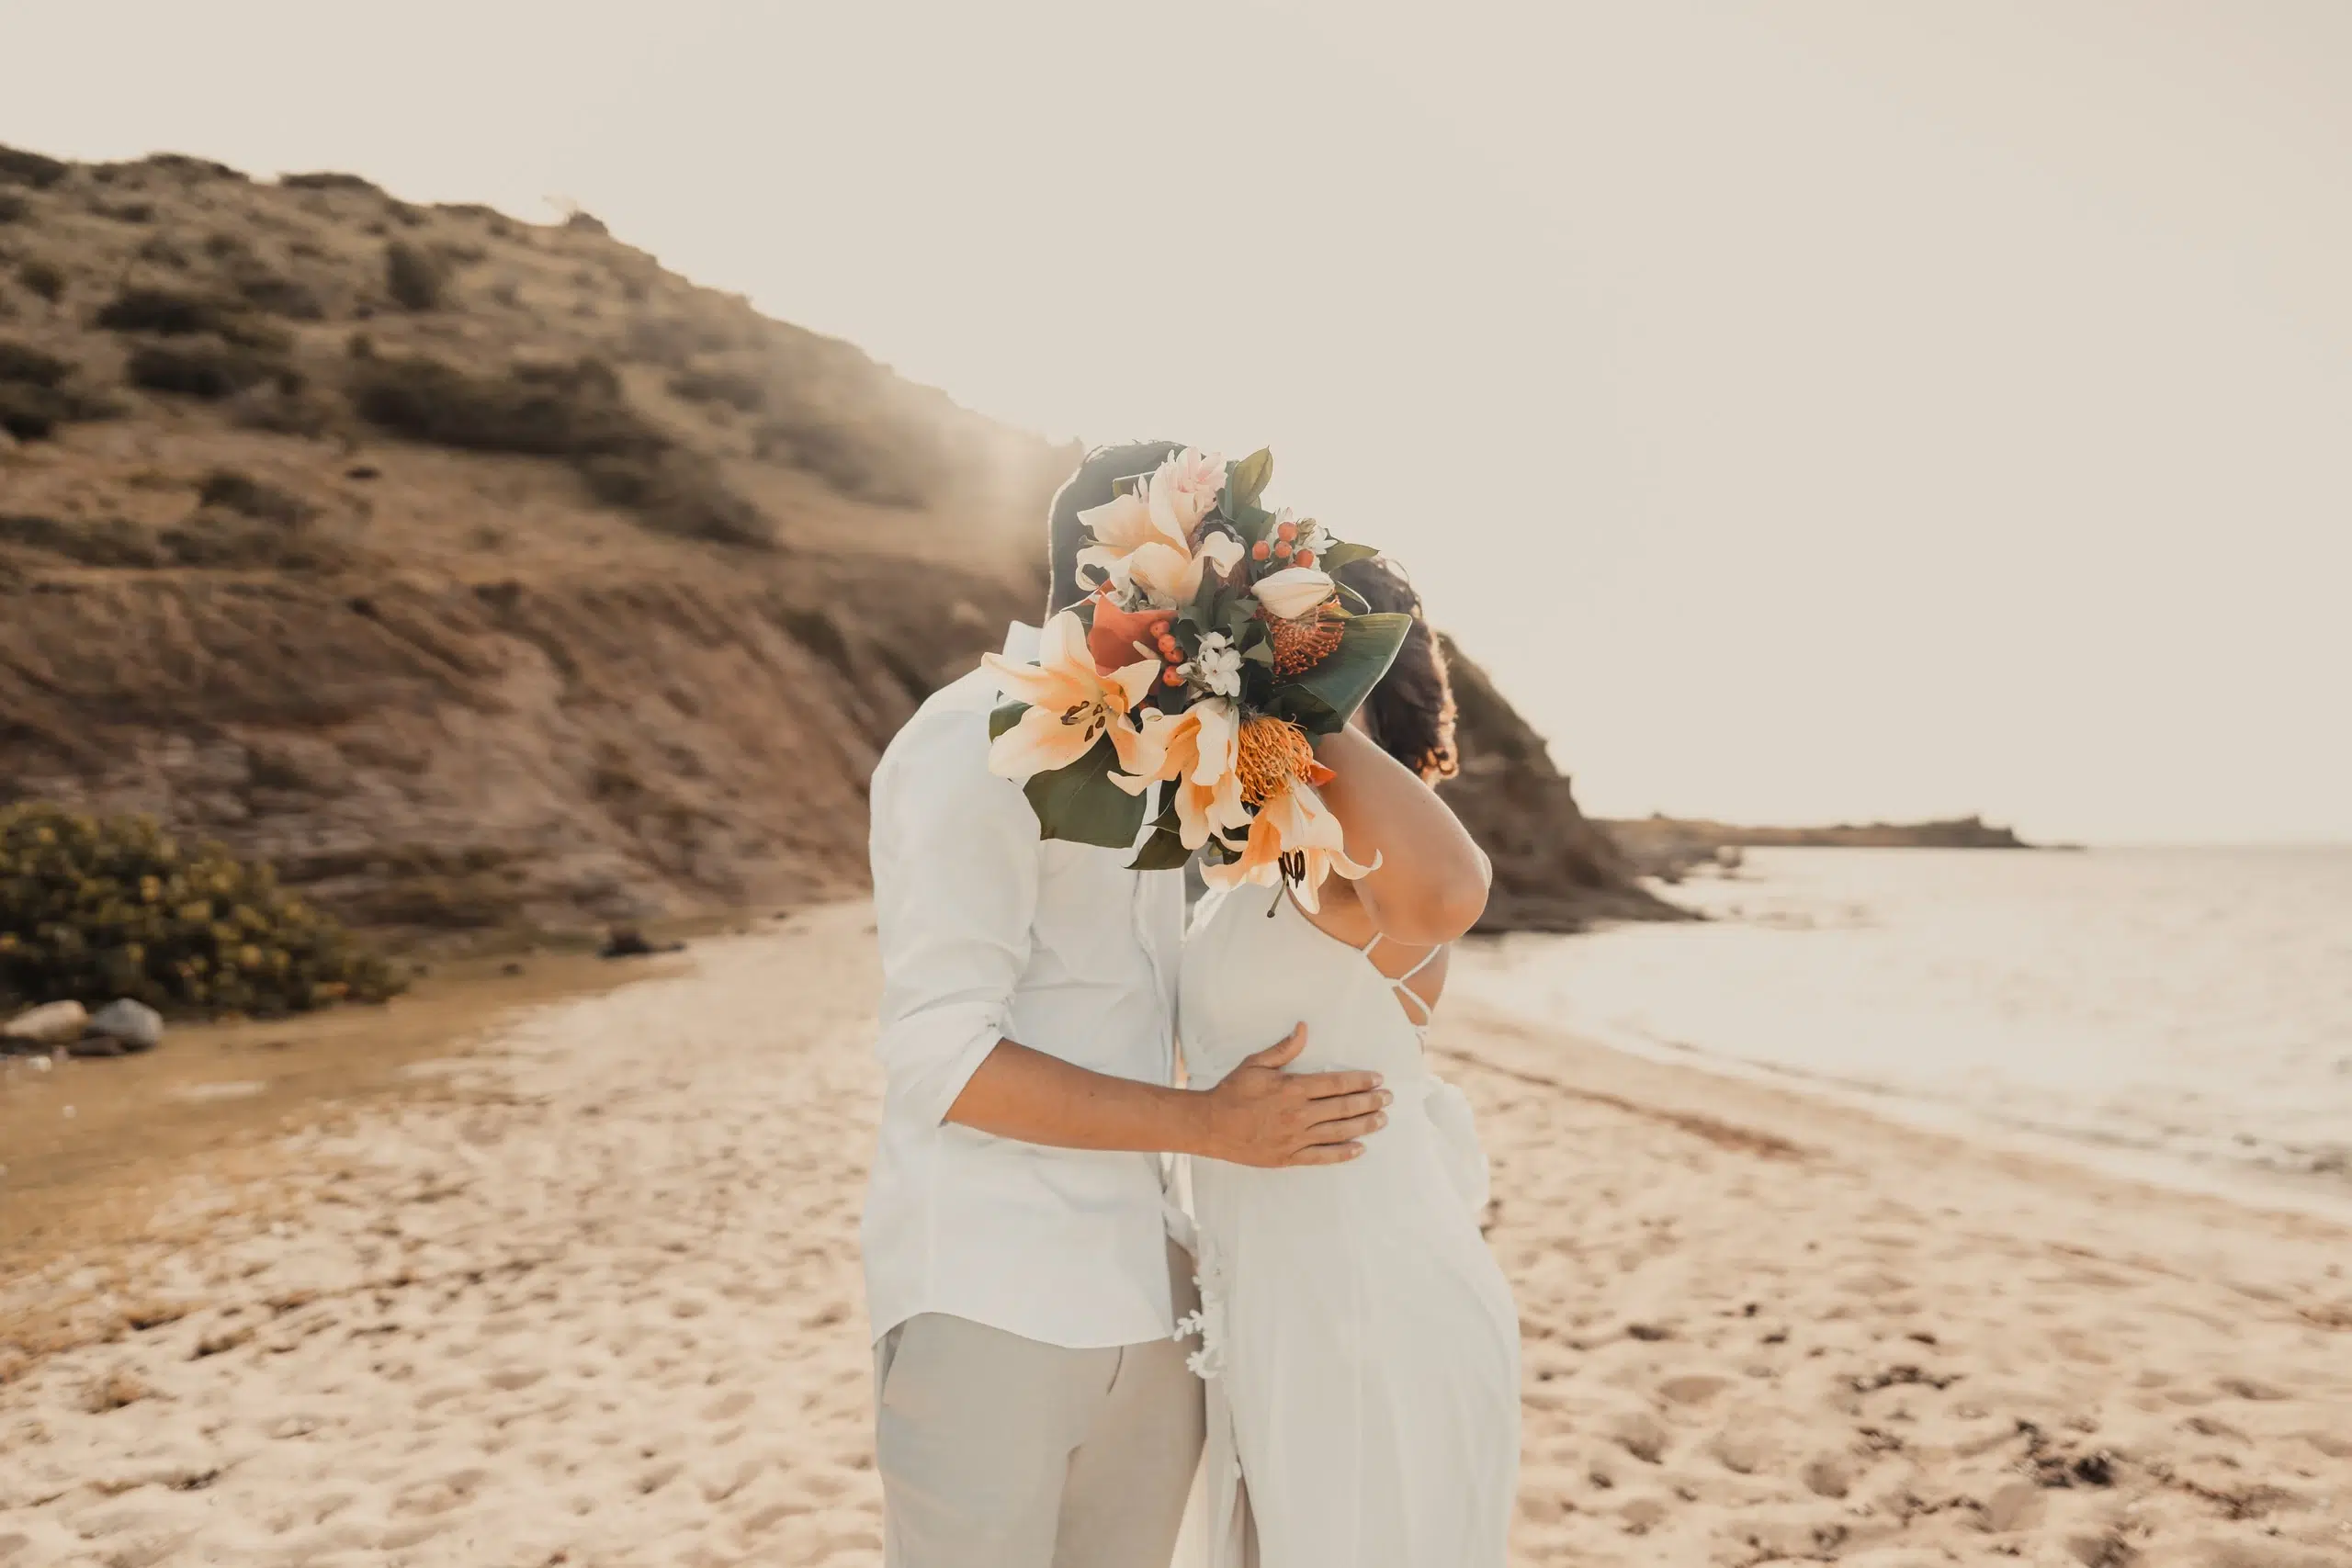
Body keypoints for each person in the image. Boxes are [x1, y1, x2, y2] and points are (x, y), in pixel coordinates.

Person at [862, 442, 1395, 1568]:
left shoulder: (1165, 751)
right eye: (1234, 586)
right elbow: (939, 1059)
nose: (1247, 617)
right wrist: (1212, 1128)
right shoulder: (975, 742)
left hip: (1154, 1298)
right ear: (1130, 572)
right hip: (987, 1296)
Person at [1173, 554, 1522, 1568]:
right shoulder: (1265, 862)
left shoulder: (1357, 872)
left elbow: (1454, 890)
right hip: (1275, 1302)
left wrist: (1282, 690)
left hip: (1367, 1311)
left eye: (1321, 665)